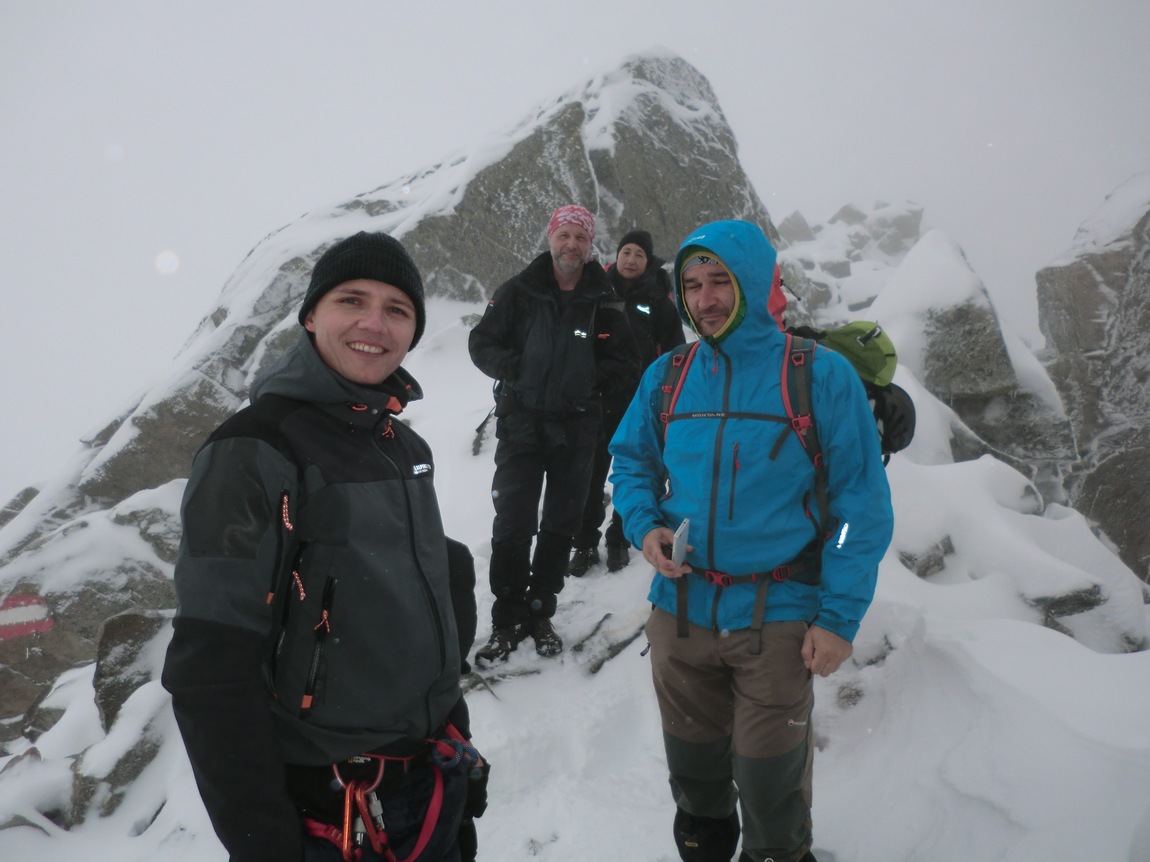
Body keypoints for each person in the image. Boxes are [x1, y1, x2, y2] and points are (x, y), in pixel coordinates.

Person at [162, 232, 487, 862]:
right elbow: (212, 665)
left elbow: (418, 601)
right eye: (351, 300)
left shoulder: (403, 446)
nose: (375, 324)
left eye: (397, 309)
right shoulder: (255, 448)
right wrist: (263, 842)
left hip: (427, 784)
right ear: (311, 315)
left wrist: (456, 736)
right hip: (332, 804)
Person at [609, 220, 894, 862]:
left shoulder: (819, 375)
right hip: (680, 614)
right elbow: (630, 461)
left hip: (778, 616)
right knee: (695, 778)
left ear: (758, 284)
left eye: (720, 281)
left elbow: (860, 507)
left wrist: (839, 616)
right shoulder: (669, 375)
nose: (705, 299)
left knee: (770, 784)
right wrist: (645, 525)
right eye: (692, 285)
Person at [468, 205, 638, 665]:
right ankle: (507, 620)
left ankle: (541, 613)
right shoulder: (518, 291)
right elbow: (481, 342)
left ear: (590, 245)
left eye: (580, 238)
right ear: (551, 238)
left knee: (560, 524)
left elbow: (626, 362)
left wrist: (589, 380)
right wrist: (517, 368)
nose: (571, 245)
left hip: (577, 429)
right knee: (512, 523)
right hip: (522, 425)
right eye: (565, 235)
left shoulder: (604, 299)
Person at [568, 228, 685, 576]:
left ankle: (619, 538)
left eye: (639, 254)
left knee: (634, 471)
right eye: (626, 252)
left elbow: (675, 353)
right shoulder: (596, 292)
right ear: (616, 256)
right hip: (597, 399)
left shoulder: (659, 301)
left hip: (639, 403)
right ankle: (584, 543)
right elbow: (578, 335)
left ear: (649, 261)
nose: (631, 260)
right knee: (589, 475)